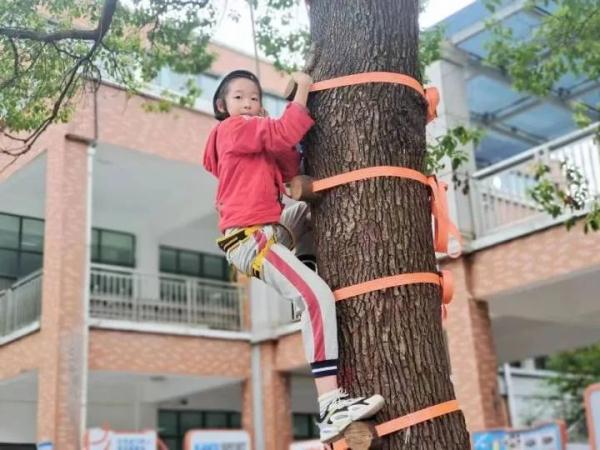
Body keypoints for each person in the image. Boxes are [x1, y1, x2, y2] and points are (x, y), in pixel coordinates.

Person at [202, 69, 384, 443]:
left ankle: (307, 272)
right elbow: (284, 132)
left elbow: (288, 163)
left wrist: (286, 134)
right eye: (239, 97)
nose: (249, 103)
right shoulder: (231, 131)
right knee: (317, 296)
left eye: (254, 97)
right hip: (251, 239)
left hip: (270, 230)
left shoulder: (257, 138)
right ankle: (331, 404)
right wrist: (300, 92)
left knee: (306, 213)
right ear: (222, 107)